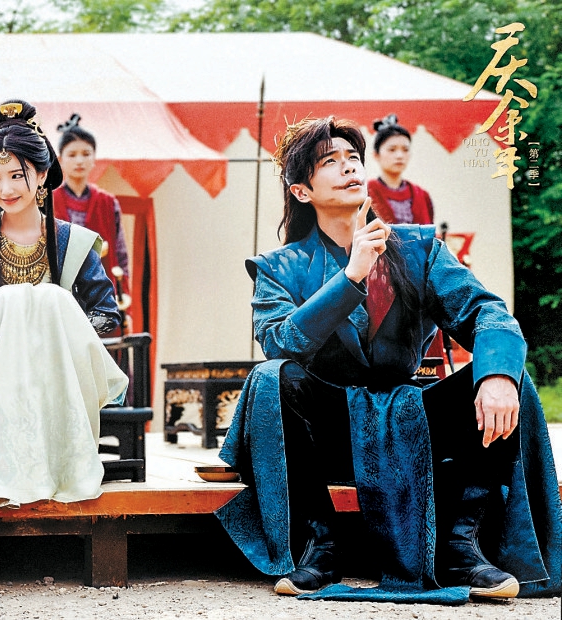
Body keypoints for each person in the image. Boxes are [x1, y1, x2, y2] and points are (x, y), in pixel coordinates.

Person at [215, 117, 560, 604]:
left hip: (411, 419)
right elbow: (279, 343)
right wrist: (350, 278)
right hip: (327, 431)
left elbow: (486, 312)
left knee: (508, 375)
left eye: (354, 159)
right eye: (330, 162)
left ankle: (460, 545)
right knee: (273, 378)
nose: (349, 168)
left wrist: (498, 375)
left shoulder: (418, 249)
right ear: (301, 191)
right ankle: (321, 544)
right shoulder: (278, 267)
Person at [0, 100, 128, 509]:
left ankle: (57, 467)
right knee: (19, 299)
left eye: (17, 175)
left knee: (48, 298)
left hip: (54, 369)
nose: (6, 189)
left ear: (41, 176)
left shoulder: (71, 241)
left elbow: (107, 314)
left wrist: (52, 327)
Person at [53, 114, 131, 295]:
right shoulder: (48, 202)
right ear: (60, 159)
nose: (79, 161)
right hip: (59, 291)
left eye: (86, 154)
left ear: (94, 158)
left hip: (101, 291)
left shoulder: (108, 203)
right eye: (72, 155)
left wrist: (123, 293)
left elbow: (120, 255)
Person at [367, 114, 434, 225]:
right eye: (392, 149)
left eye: (405, 149)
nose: (399, 155)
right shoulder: (366, 192)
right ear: (376, 155)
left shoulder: (422, 195)